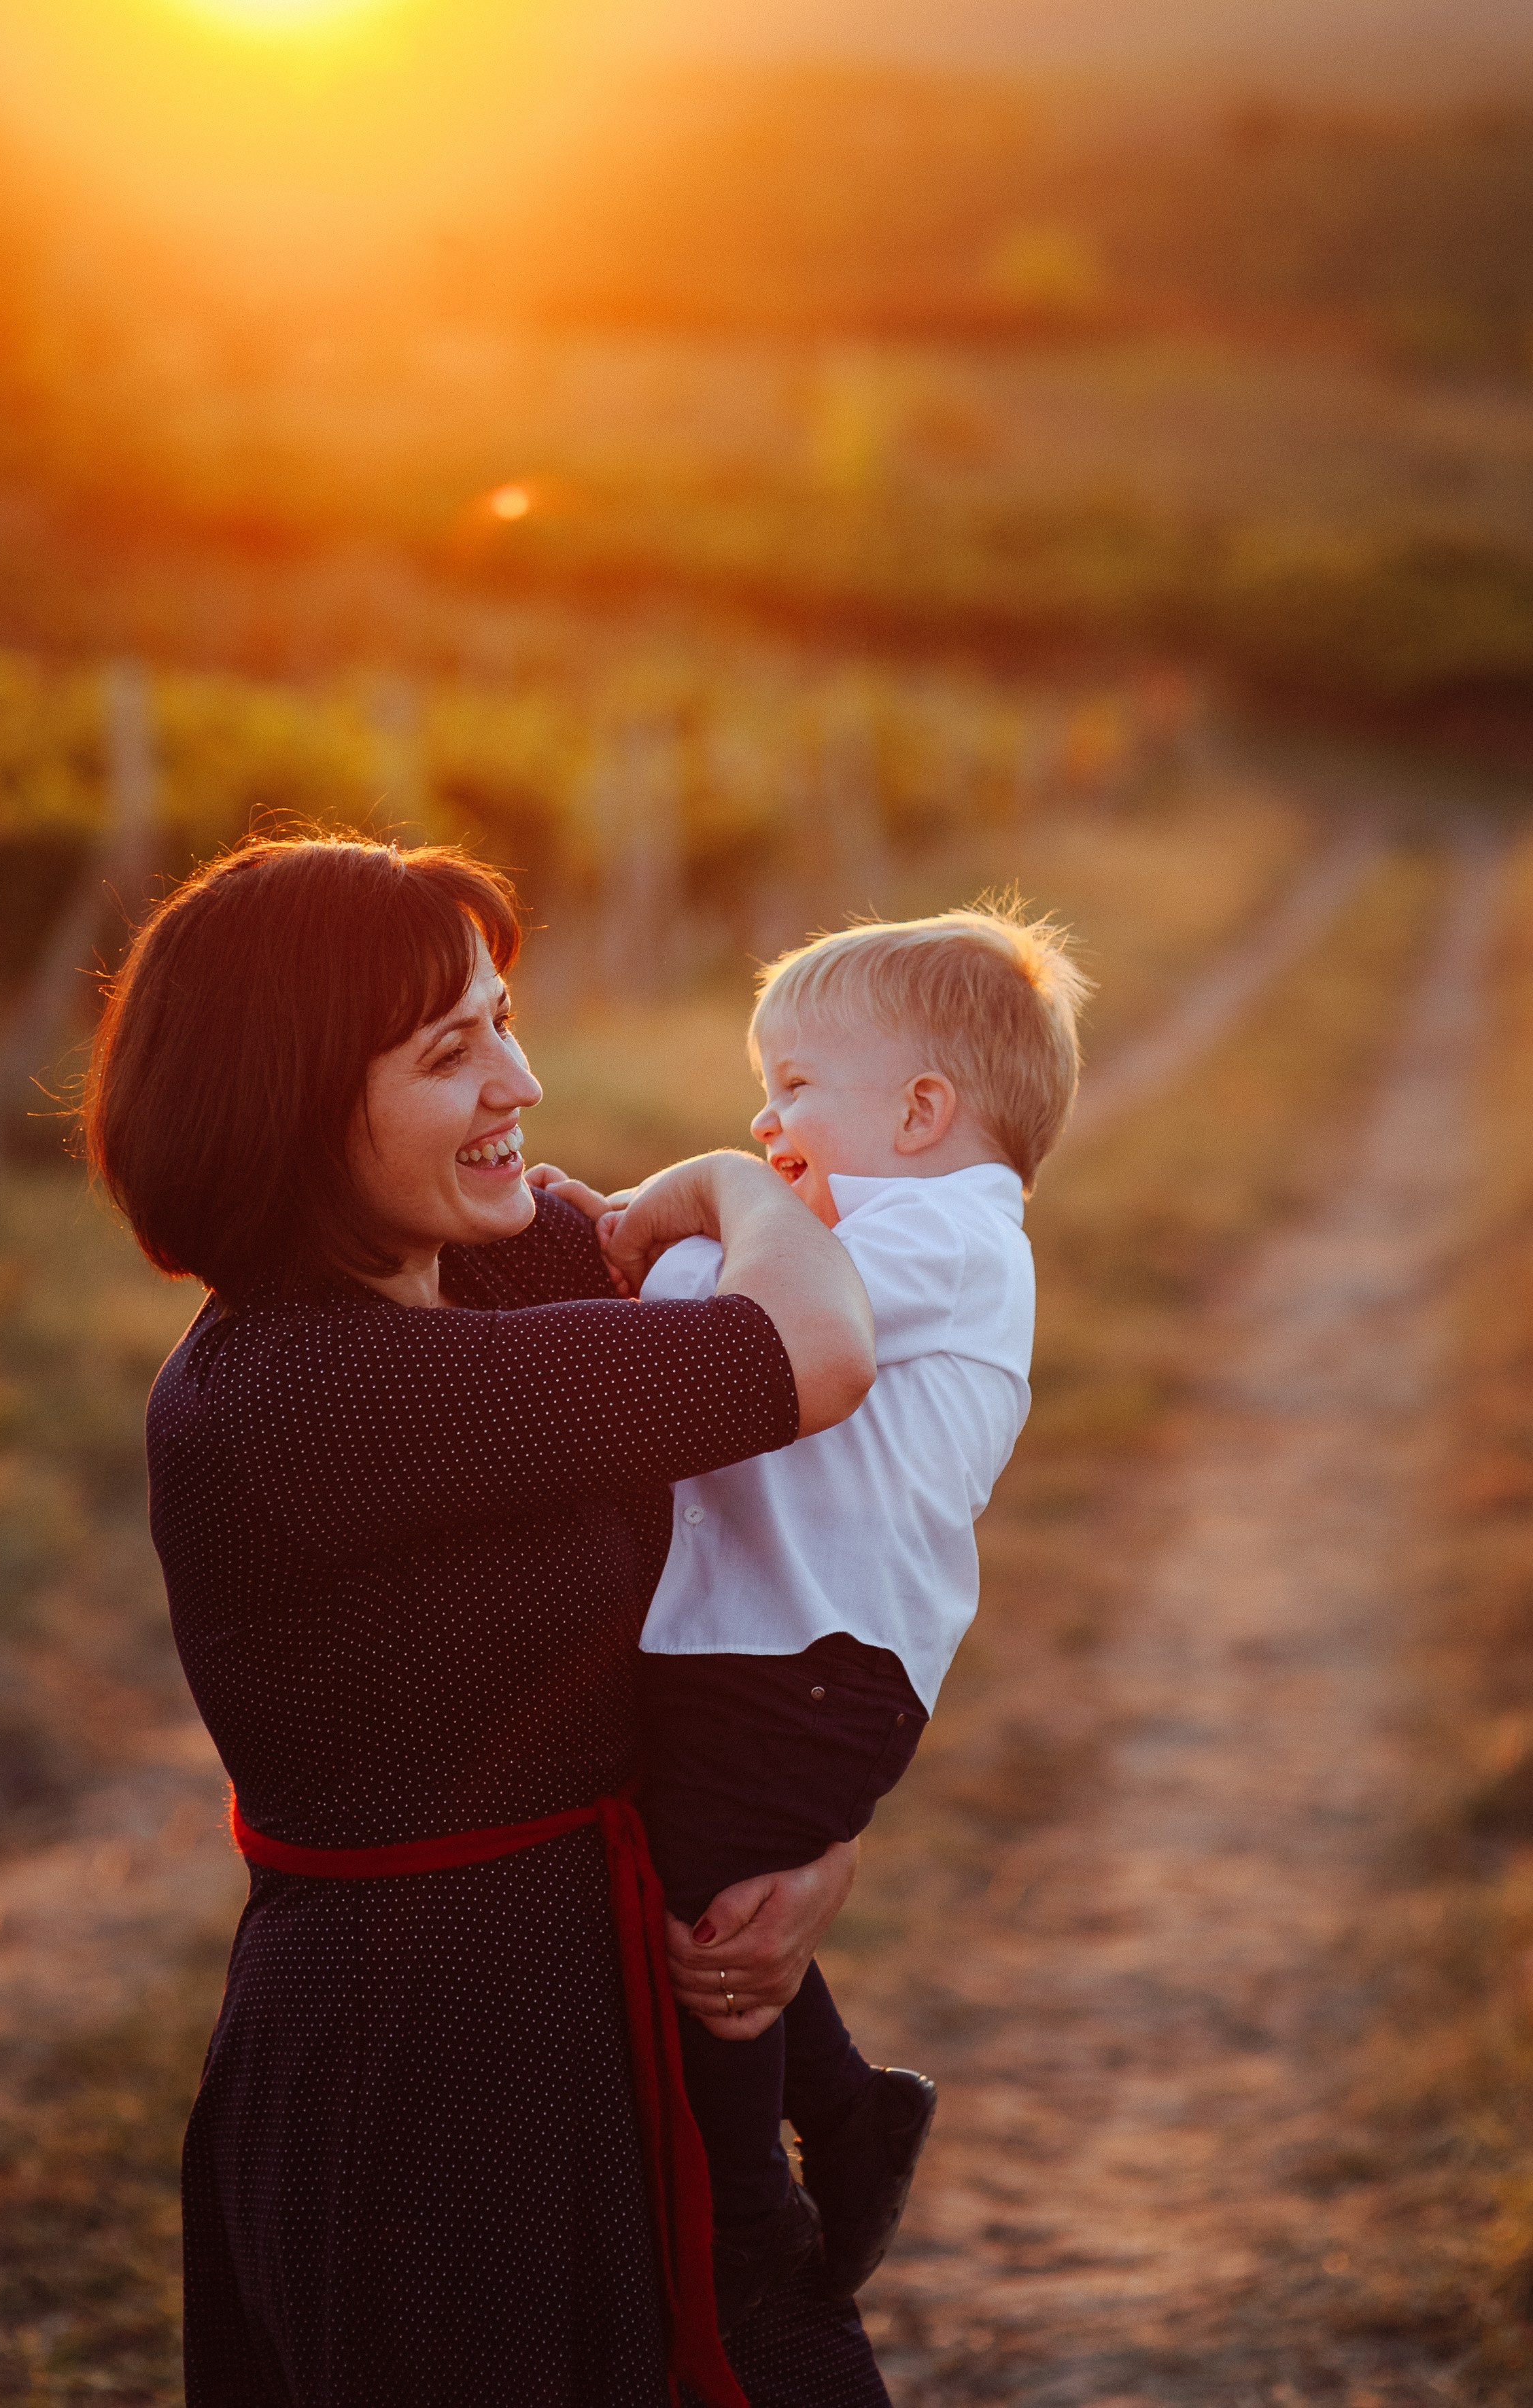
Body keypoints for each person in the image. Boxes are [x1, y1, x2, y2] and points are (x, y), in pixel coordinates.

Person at [84, 831, 896, 2408]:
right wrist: (739, 1176)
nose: (520, 1081)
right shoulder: (298, 1394)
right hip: (424, 2074)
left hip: (616, 1983)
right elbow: (808, 1346)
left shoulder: (493, 1263)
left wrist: (811, 1831)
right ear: (293, 1100)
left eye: (504, 1019)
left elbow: (764, 1550)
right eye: (454, 1052)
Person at [581, 903, 1088, 2328]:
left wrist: (691, 1204)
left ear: (924, 1110)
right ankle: (851, 2111)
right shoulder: (873, 1214)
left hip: (814, 1659)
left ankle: (755, 2209)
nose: (763, 1114)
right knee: (699, 1892)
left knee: (710, 1917)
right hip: (761, 1648)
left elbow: (729, 1320)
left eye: (796, 1085)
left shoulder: (950, 1233)